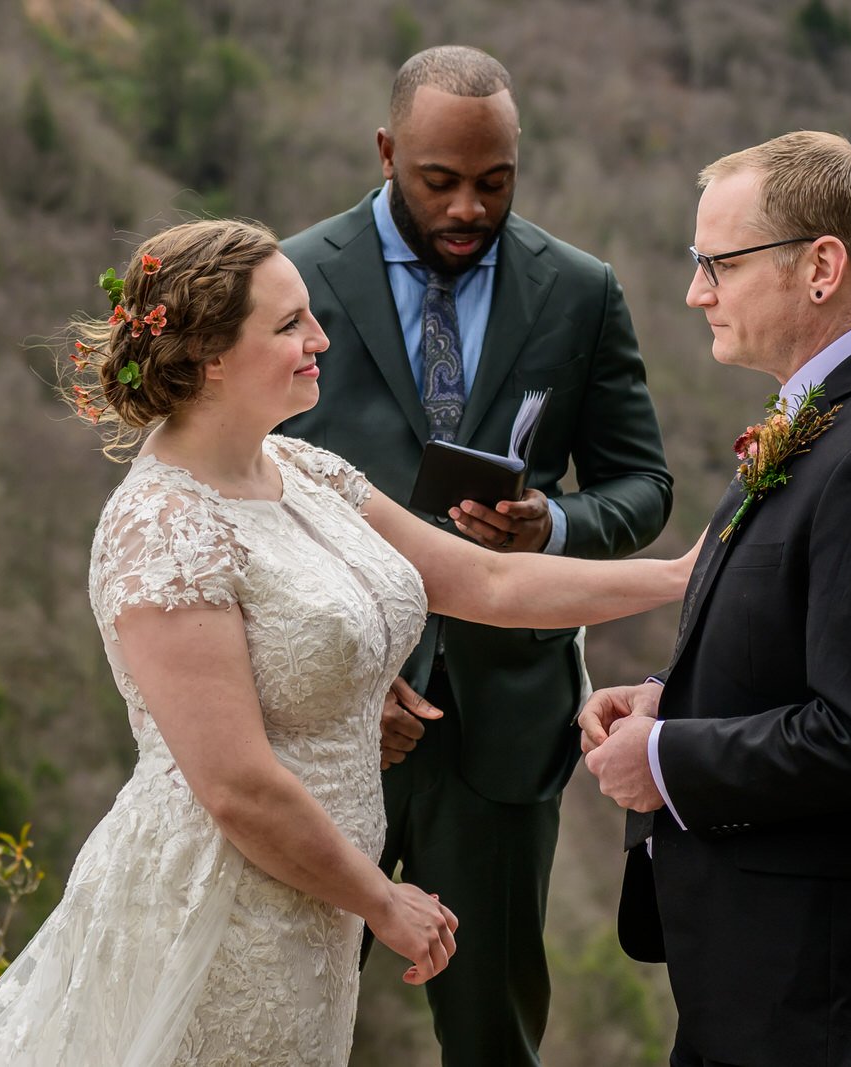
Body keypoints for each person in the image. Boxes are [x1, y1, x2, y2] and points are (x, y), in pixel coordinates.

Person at [0, 219, 693, 1066]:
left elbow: (489, 583)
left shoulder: (306, 470)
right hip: (219, 908)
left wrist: (683, 578)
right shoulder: (160, 526)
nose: (319, 337)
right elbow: (237, 785)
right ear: (211, 355)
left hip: (313, 913)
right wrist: (382, 899)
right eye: (290, 323)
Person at [278, 46, 673, 1065]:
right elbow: (249, 501)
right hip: (333, 717)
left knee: (491, 1028)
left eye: (493, 184)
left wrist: (556, 524)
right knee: (289, 1014)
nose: (466, 208)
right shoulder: (291, 279)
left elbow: (644, 487)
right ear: (385, 152)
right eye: (437, 182)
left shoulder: (579, 290)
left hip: (505, 722)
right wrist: (341, 676)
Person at [579, 131, 851, 1067]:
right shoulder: (829, 416)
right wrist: (665, 699)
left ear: (820, 267)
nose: (696, 292)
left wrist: (668, 758)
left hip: (820, 992)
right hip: (761, 976)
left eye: (717, 263)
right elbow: (806, 643)